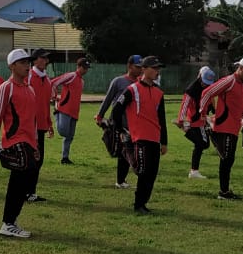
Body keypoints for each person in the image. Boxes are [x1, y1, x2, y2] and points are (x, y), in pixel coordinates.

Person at [0, 49, 40, 238]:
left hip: (28, 142)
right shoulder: (6, 87)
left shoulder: (29, 89)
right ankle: (8, 223)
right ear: (12, 66)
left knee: (27, 176)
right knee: (21, 175)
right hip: (15, 140)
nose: (28, 66)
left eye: (28, 62)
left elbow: (32, 120)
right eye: (23, 62)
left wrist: (36, 146)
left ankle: (11, 220)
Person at [111, 56, 167, 213]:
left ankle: (142, 204)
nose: (157, 71)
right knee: (142, 171)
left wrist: (164, 142)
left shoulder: (158, 92)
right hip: (139, 137)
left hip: (154, 138)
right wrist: (121, 130)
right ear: (144, 69)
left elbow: (161, 119)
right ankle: (138, 204)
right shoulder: (132, 90)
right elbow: (116, 110)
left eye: (158, 69)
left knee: (152, 174)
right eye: (154, 68)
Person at [199, 56, 243, 199]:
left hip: (234, 128)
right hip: (224, 127)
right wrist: (202, 113)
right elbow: (207, 93)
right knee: (226, 159)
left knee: (229, 159)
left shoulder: (242, 85)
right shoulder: (229, 81)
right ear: (241, 69)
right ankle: (223, 192)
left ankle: (224, 191)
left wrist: (242, 117)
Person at [96, 55, 143, 188]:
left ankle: (121, 180)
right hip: (120, 123)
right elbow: (108, 99)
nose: (139, 70)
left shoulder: (141, 84)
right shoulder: (119, 81)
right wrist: (100, 116)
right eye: (137, 67)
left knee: (127, 152)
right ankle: (121, 181)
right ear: (129, 66)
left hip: (134, 124)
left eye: (141, 67)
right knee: (124, 152)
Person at [24, 49, 54, 202]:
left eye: (46, 59)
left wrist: (48, 123)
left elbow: (45, 104)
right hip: (30, 125)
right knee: (32, 159)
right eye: (43, 58)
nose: (46, 61)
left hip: (41, 125)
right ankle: (27, 192)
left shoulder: (46, 79)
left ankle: (30, 192)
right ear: (35, 60)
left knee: (38, 159)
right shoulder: (29, 77)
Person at [178, 66, 216, 179]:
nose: (205, 85)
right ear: (199, 77)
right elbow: (185, 104)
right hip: (194, 120)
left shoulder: (209, 88)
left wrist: (214, 111)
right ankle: (194, 171)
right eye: (204, 82)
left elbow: (211, 101)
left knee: (201, 144)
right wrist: (181, 119)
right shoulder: (192, 89)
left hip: (201, 120)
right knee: (202, 144)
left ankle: (194, 171)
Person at [50, 57, 90, 165]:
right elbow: (53, 83)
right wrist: (54, 98)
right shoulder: (71, 76)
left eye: (87, 68)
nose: (86, 70)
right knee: (63, 131)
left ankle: (65, 158)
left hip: (74, 112)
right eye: (84, 68)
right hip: (64, 109)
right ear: (78, 67)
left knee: (70, 136)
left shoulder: (81, 81)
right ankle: (56, 114)